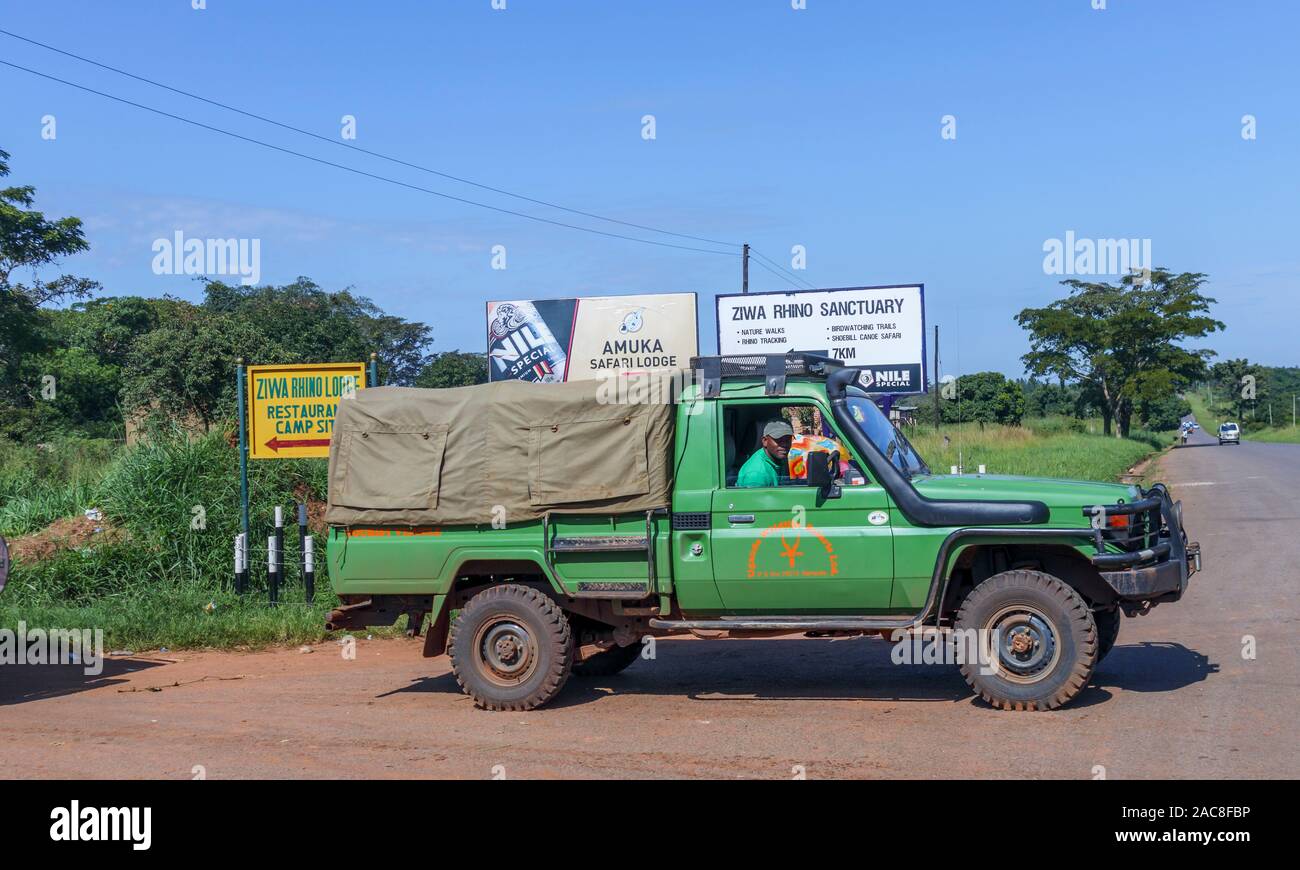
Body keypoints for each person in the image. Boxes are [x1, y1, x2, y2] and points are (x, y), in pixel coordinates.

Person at [736, 420, 794, 487]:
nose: (785, 444)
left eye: (788, 440)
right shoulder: (757, 475)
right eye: (778, 440)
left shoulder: (778, 456)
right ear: (765, 441)